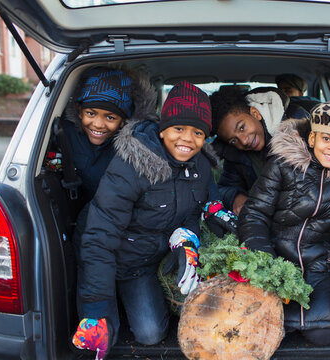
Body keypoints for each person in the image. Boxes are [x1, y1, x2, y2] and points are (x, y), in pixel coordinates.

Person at [71, 81, 218, 360]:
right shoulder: (134, 164)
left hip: (139, 265)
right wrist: (95, 312)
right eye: (178, 129)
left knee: (150, 334)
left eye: (198, 132)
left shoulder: (200, 167)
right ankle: (102, 305)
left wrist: (186, 240)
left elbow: (192, 211)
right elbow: (99, 237)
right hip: (102, 253)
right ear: (162, 129)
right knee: (103, 338)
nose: (187, 139)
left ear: (205, 137)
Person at [238, 101, 330, 346]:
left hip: (319, 263)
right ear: (312, 138)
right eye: (327, 139)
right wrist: (265, 263)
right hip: (275, 256)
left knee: (323, 335)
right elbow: (254, 214)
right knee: (261, 327)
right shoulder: (283, 164)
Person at [59, 66, 157, 207]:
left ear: (123, 121)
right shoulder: (63, 132)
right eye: (91, 113)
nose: (98, 124)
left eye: (110, 118)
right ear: (79, 111)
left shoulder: (137, 144)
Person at [209, 86, 309, 215]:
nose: (243, 141)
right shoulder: (235, 154)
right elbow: (225, 187)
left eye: (241, 128)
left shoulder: (298, 127)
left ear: (255, 113)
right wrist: (236, 198)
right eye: (233, 140)